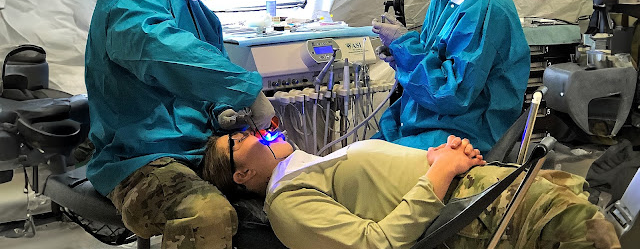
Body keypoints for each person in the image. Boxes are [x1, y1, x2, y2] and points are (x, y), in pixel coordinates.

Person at [84, 0, 275, 248]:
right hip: (139, 160)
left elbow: (208, 88)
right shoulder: (126, 4)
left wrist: (229, 114)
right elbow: (167, 53)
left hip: (201, 151)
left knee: (294, 188)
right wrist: (247, 90)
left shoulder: (205, 18)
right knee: (207, 215)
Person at [202, 132, 621, 249]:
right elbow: (376, 243)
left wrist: (440, 156)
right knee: (596, 232)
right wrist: (442, 171)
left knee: (603, 222)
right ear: (240, 176)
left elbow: (386, 183)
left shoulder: (309, 166)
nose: (253, 133)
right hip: (476, 214)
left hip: (483, 187)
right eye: (238, 141)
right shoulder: (286, 203)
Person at [371, 0, 530, 154]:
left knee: (368, 164)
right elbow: (432, 56)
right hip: (431, 119)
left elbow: (453, 92)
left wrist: (405, 47)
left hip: (467, 131)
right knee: (361, 154)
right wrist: (399, 54)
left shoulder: (487, 8)